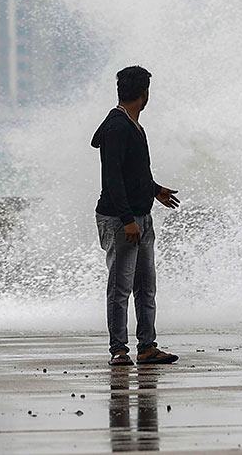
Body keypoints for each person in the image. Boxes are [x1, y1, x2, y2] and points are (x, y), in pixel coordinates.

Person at [93, 66, 181, 366]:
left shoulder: (132, 124)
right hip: (121, 220)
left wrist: (155, 190)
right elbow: (113, 178)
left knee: (146, 286)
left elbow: (134, 171)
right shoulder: (118, 127)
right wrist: (128, 219)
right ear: (144, 94)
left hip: (140, 216)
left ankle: (147, 347)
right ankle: (119, 350)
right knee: (120, 288)